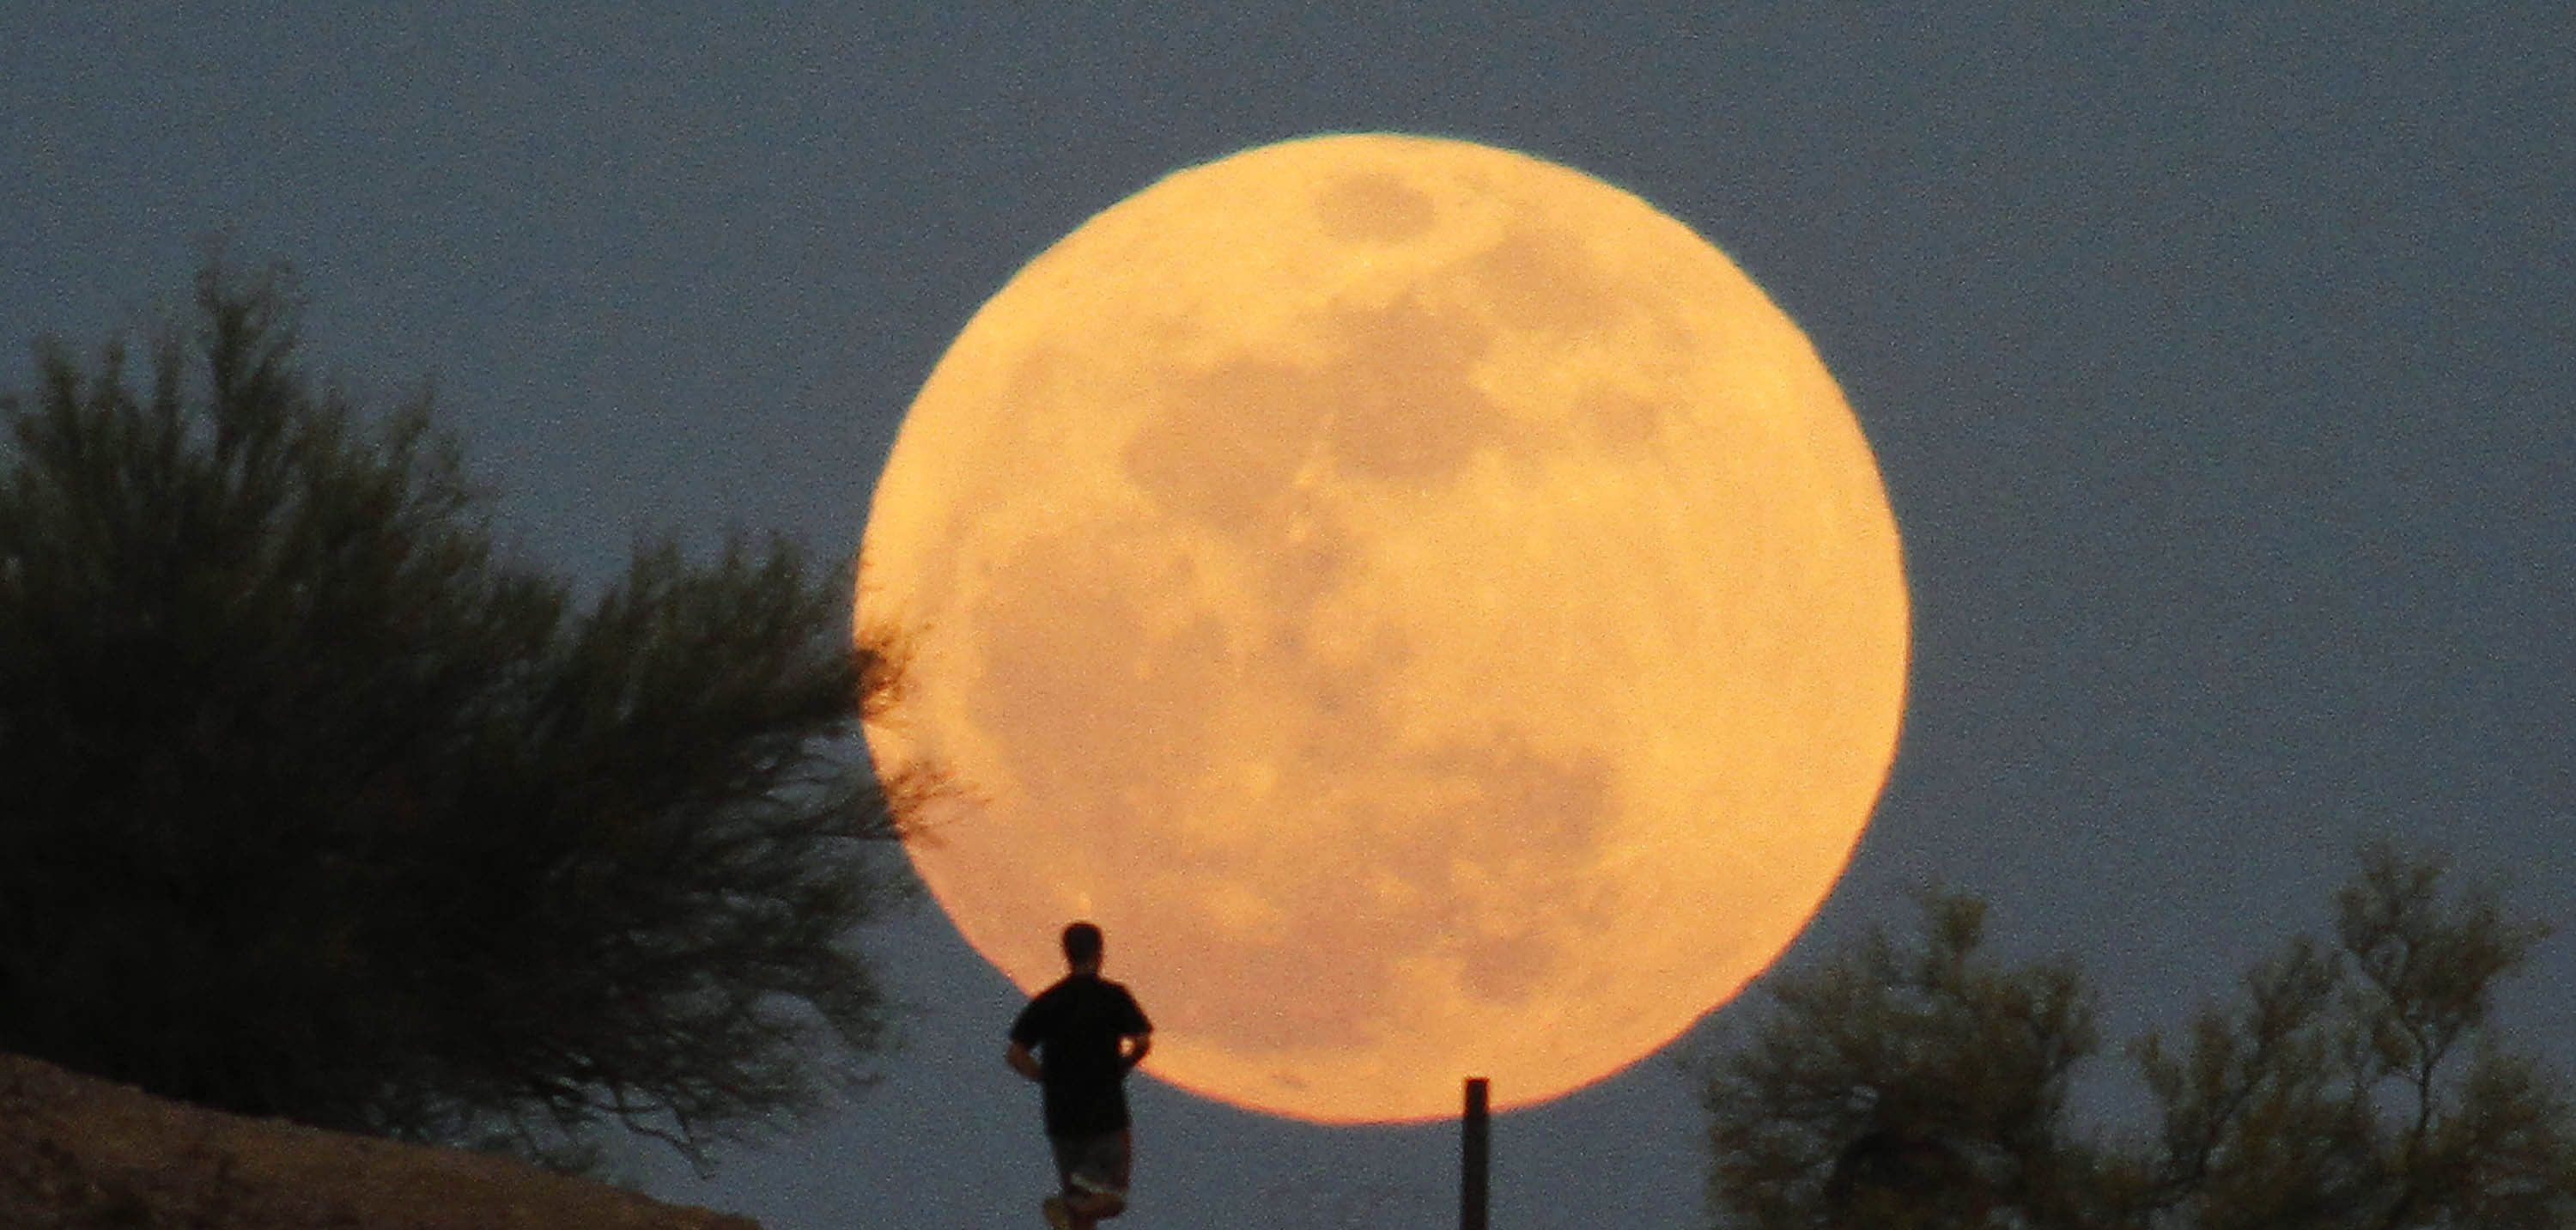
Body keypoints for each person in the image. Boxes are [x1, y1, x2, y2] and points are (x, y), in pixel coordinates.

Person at [1007, 921, 1152, 1230]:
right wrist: (1122, 1066)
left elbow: (1016, 1055)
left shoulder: (1048, 1001)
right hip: (1106, 1115)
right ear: (1100, 953)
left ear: (1067, 954)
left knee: (1083, 1215)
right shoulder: (1114, 997)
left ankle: (1071, 1204)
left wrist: (1045, 1078)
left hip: (1062, 1120)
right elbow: (1141, 1042)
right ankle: (1068, 1204)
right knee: (1113, 1197)